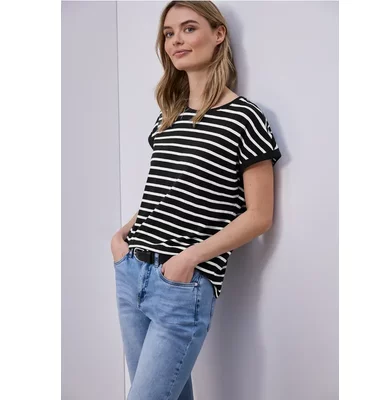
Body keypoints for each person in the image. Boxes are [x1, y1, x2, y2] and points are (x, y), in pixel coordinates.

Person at [110, 1, 282, 399]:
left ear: (218, 34)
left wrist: (188, 259)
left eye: (188, 29)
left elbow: (259, 216)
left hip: (181, 284)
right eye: (169, 33)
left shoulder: (245, 118)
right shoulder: (167, 116)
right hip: (132, 271)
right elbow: (165, 192)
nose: (176, 41)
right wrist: (121, 238)